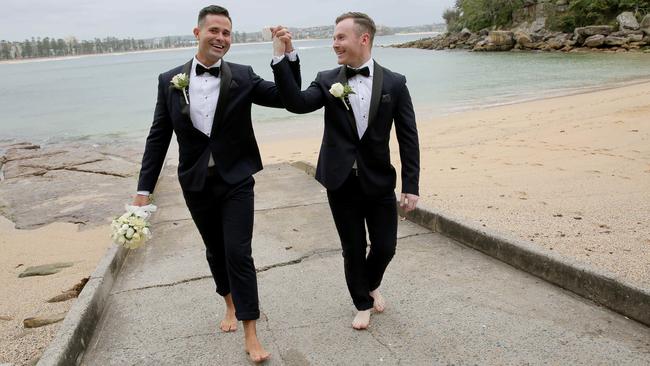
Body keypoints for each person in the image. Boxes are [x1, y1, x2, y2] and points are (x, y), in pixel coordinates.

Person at [133, 5, 299, 362]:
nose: (221, 38)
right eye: (214, 31)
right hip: (195, 182)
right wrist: (142, 191)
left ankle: (250, 331)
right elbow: (158, 137)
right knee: (215, 250)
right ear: (198, 33)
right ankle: (228, 302)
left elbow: (288, 99)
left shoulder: (242, 75)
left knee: (239, 252)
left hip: (237, 179)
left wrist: (283, 57)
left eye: (227, 33)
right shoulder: (169, 80)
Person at [272, 12, 420, 330]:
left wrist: (411, 185)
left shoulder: (395, 82)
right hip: (340, 181)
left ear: (363, 39)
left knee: (385, 246)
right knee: (352, 247)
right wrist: (283, 57)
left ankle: (369, 282)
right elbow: (296, 103)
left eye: (340, 37)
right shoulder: (328, 80)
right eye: (334, 37)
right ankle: (362, 302)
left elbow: (408, 138)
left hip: (379, 180)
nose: (334, 43)